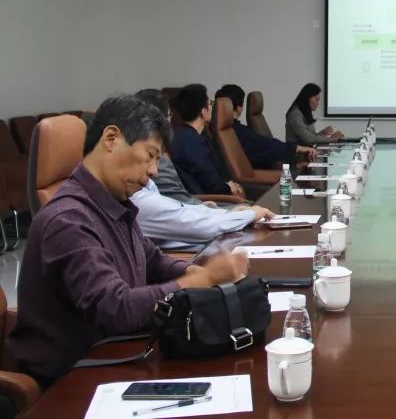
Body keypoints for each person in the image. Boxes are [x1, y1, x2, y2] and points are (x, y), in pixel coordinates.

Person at [9, 95, 249, 386]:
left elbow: (150, 259)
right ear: (111, 138)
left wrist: (192, 270)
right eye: (150, 155)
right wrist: (200, 281)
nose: (153, 172)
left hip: (118, 354)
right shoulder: (68, 220)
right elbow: (116, 308)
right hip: (73, 381)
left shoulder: (112, 202)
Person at [133, 179, 274, 249]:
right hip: (190, 256)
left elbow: (182, 210)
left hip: (202, 250)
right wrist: (249, 215)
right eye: (150, 155)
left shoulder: (144, 186)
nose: (154, 170)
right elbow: (202, 227)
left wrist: (228, 213)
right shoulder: (136, 197)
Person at [170, 84, 245, 198]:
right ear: (203, 112)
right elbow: (213, 185)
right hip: (208, 202)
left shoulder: (178, 135)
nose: (212, 108)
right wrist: (228, 187)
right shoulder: (194, 143)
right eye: (210, 104)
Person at [216, 84, 316, 168]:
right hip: (263, 175)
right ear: (239, 107)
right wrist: (297, 149)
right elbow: (265, 146)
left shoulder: (220, 129)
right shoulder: (238, 131)